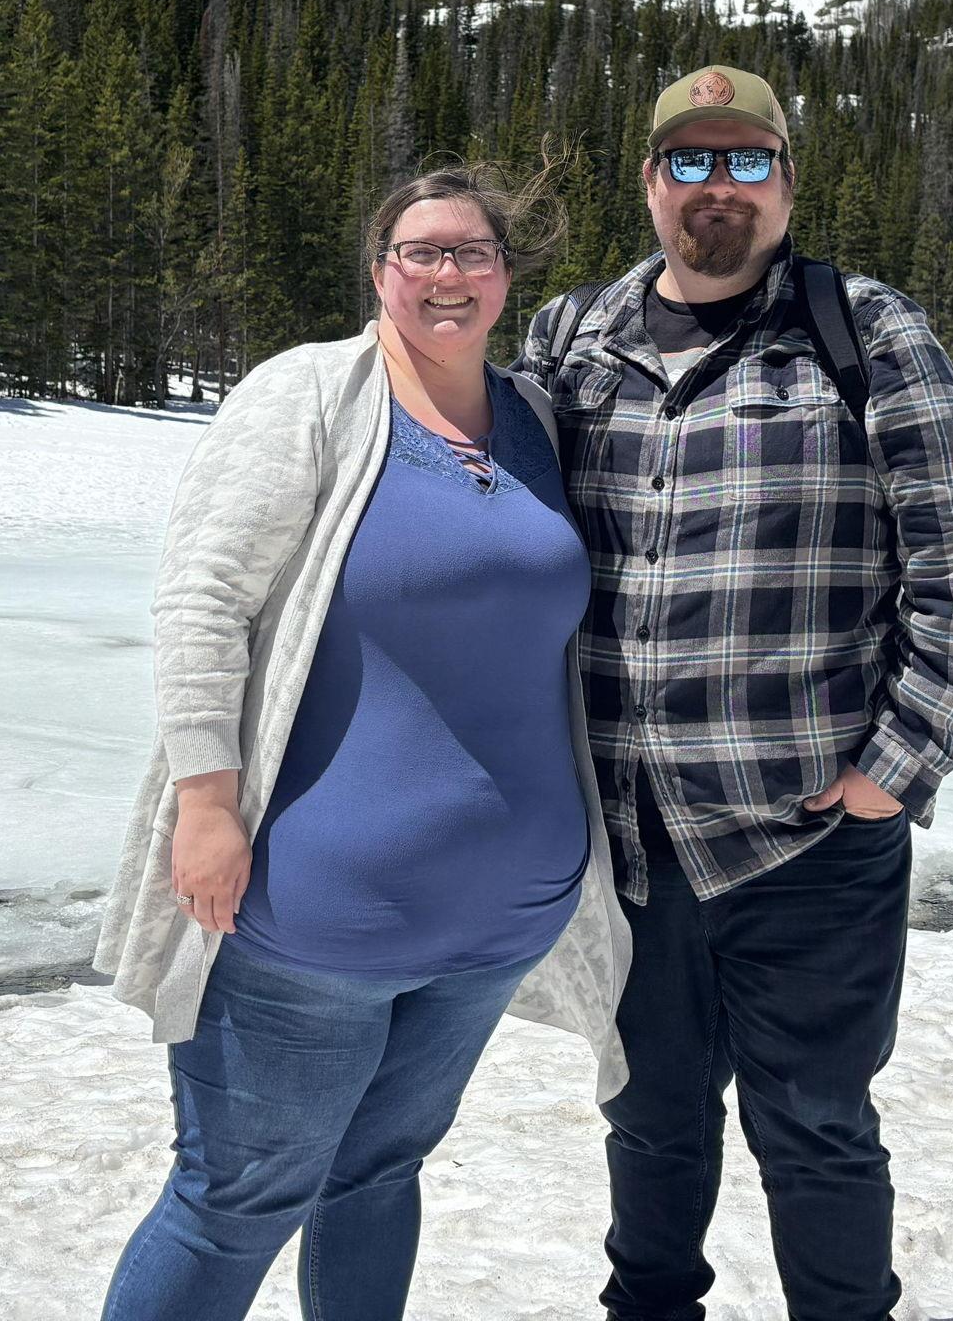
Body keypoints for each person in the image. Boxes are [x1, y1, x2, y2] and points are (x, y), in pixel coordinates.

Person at [515, 65, 953, 1321]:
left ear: (787, 180)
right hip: (628, 838)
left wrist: (892, 769)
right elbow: (479, 510)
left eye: (746, 159)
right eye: (690, 161)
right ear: (649, 181)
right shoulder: (571, 341)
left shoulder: (864, 331)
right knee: (648, 1119)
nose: (717, 187)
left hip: (806, 833)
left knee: (817, 1127)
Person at [95, 158, 631, 1321]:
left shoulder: (533, 417)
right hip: (307, 927)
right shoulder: (310, 395)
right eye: (419, 252)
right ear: (379, 270)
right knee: (234, 1196)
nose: (447, 273)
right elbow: (203, 600)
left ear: (505, 274)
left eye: (471, 252)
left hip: (492, 933)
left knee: (377, 1173)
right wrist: (205, 801)